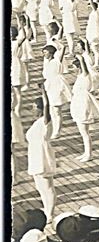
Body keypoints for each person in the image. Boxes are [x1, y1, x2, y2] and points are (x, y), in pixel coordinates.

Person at [26, 84, 57, 222]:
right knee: (40, 187)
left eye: (34, 107)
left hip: (43, 157)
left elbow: (47, 108)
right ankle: (46, 208)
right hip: (35, 157)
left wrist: (44, 93)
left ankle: (50, 213)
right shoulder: (36, 123)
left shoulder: (45, 123)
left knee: (48, 187)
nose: (32, 110)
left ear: (40, 109)